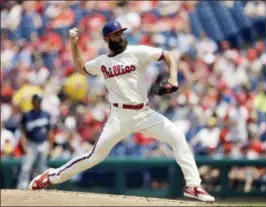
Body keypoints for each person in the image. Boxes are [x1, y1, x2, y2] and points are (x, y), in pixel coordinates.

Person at [29, 20, 215, 202]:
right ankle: (52, 176)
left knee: (177, 137)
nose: (120, 36)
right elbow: (81, 68)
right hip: (119, 117)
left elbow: (168, 55)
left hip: (144, 113)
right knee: (95, 156)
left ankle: (193, 185)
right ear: (107, 39)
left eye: (121, 33)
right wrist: (74, 44)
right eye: (115, 34)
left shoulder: (136, 52)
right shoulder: (102, 62)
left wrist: (173, 79)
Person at [17, 94, 54, 189]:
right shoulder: (26, 115)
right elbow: (22, 133)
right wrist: (24, 146)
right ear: (33, 102)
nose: (39, 103)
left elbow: (50, 132)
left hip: (43, 143)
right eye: (37, 101)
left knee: (42, 168)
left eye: (40, 101)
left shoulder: (46, 114)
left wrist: (50, 147)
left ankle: (40, 187)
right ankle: (22, 187)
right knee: (26, 167)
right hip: (31, 144)